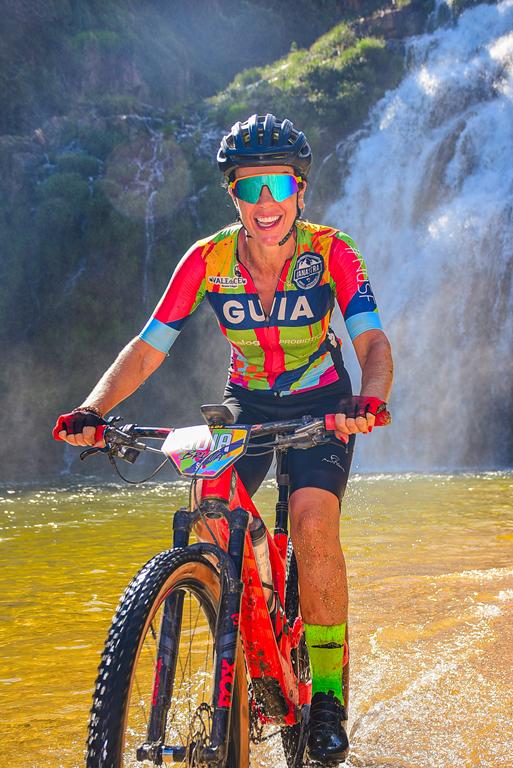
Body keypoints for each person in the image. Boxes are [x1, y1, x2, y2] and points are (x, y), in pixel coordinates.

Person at [54, 113, 393, 764]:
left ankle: (325, 695)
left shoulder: (332, 252)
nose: (265, 202)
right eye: (249, 186)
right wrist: (93, 409)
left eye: (278, 185)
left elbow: (372, 342)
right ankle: (247, 631)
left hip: (324, 402)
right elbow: (148, 349)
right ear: (232, 194)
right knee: (210, 510)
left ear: (299, 190)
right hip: (246, 402)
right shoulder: (206, 259)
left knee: (312, 520)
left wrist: (369, 399)